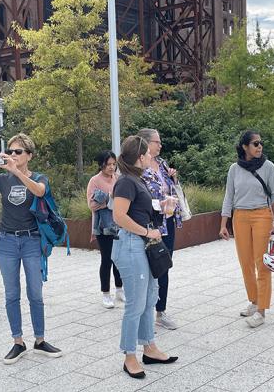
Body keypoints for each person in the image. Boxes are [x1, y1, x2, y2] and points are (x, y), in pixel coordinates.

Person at [0, 134, 62, 364]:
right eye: (10, 151)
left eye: (18, 152)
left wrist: (17, 172)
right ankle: (18, 342)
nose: (13, 155)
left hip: (31, 241)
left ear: (29, 155)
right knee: (11, 294)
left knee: (35, 293)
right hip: (6, 241)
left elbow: (39, 191)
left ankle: (40, 340)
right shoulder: (1, 179)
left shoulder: (39, 177)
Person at [112, 136, 178, 379]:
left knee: (150, 297)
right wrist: (147, 231)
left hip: (143, 245)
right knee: (136, 303)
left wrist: (164, 208)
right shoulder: (126, 182)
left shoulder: (136, 180)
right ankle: (130, 355)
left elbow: (141, 213)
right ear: (140, 157)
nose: (152, 156)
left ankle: (149, 347)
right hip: (131, 245)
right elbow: (119, 216)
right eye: (148, 153)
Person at [219, 130, 274, 328]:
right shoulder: (234, 169)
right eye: (255, 144)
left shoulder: (268, 167)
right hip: (240, 217)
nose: (259, 146)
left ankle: (261, 311)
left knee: (261, 263)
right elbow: (229, 196)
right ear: (245, 147)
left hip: (262, 215)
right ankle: (254, 301)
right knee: (245, 262)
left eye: (260, 143)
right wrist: (223, 224)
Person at [137, 128, 181, 330]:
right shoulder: (137, 167)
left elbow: (169, 188)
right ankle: (143, 310)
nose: (160, 145)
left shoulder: (162, 163)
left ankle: (160, 311)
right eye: (157, 141)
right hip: (150, 224)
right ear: (146, 143)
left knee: (164, 265)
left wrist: (173, 178)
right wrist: (158, 204)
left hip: (168, 221)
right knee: (147, 267)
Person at [86, 150, 124, 309]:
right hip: (103, 226)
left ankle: (119, 290)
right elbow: (91, 204)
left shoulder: (118, 178)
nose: (111, 167)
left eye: (114, 164)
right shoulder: (94, 181)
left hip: (119, 223)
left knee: (119, 259)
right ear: (101, 164)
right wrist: (109, 198)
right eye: (108, 164)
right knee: (107, 259)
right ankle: (106, 293)